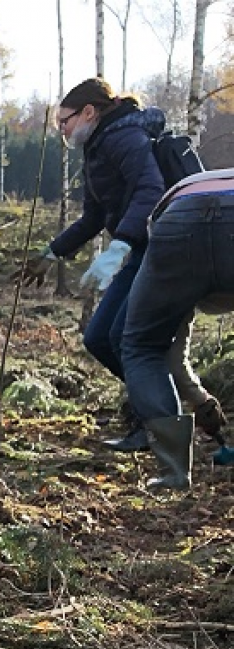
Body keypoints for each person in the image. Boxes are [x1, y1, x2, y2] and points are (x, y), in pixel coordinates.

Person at [10, 79, 224, 453]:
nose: (62, 130)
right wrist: (51, 253)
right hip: (140, 249)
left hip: (162, 249)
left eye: (65, 121)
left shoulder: (124, 137)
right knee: (99, 338)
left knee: (127, 339)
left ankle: (157, 427)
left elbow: (149, 189)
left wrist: (118, 247)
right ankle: (159, 408)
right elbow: (93, 217)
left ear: (89, 112)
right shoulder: (97, 148)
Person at [119, 168, 234, 489]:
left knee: (143, 345)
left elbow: (168, 351)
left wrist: (199, 399)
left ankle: (174, 473)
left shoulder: (178, 257)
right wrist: (201, 400)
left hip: (177, 217)